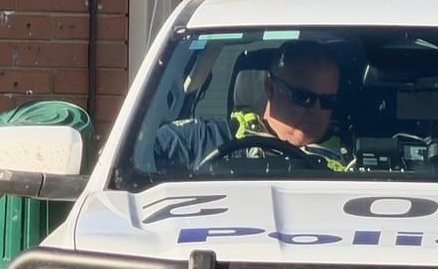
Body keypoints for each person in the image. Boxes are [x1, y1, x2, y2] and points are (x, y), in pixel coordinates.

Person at [150, 40, 357, 175]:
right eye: (304, 97)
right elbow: (141, 156)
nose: (317, 110)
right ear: (270, 88)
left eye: (328, 101)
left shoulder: (355, 160)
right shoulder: (205, 139)